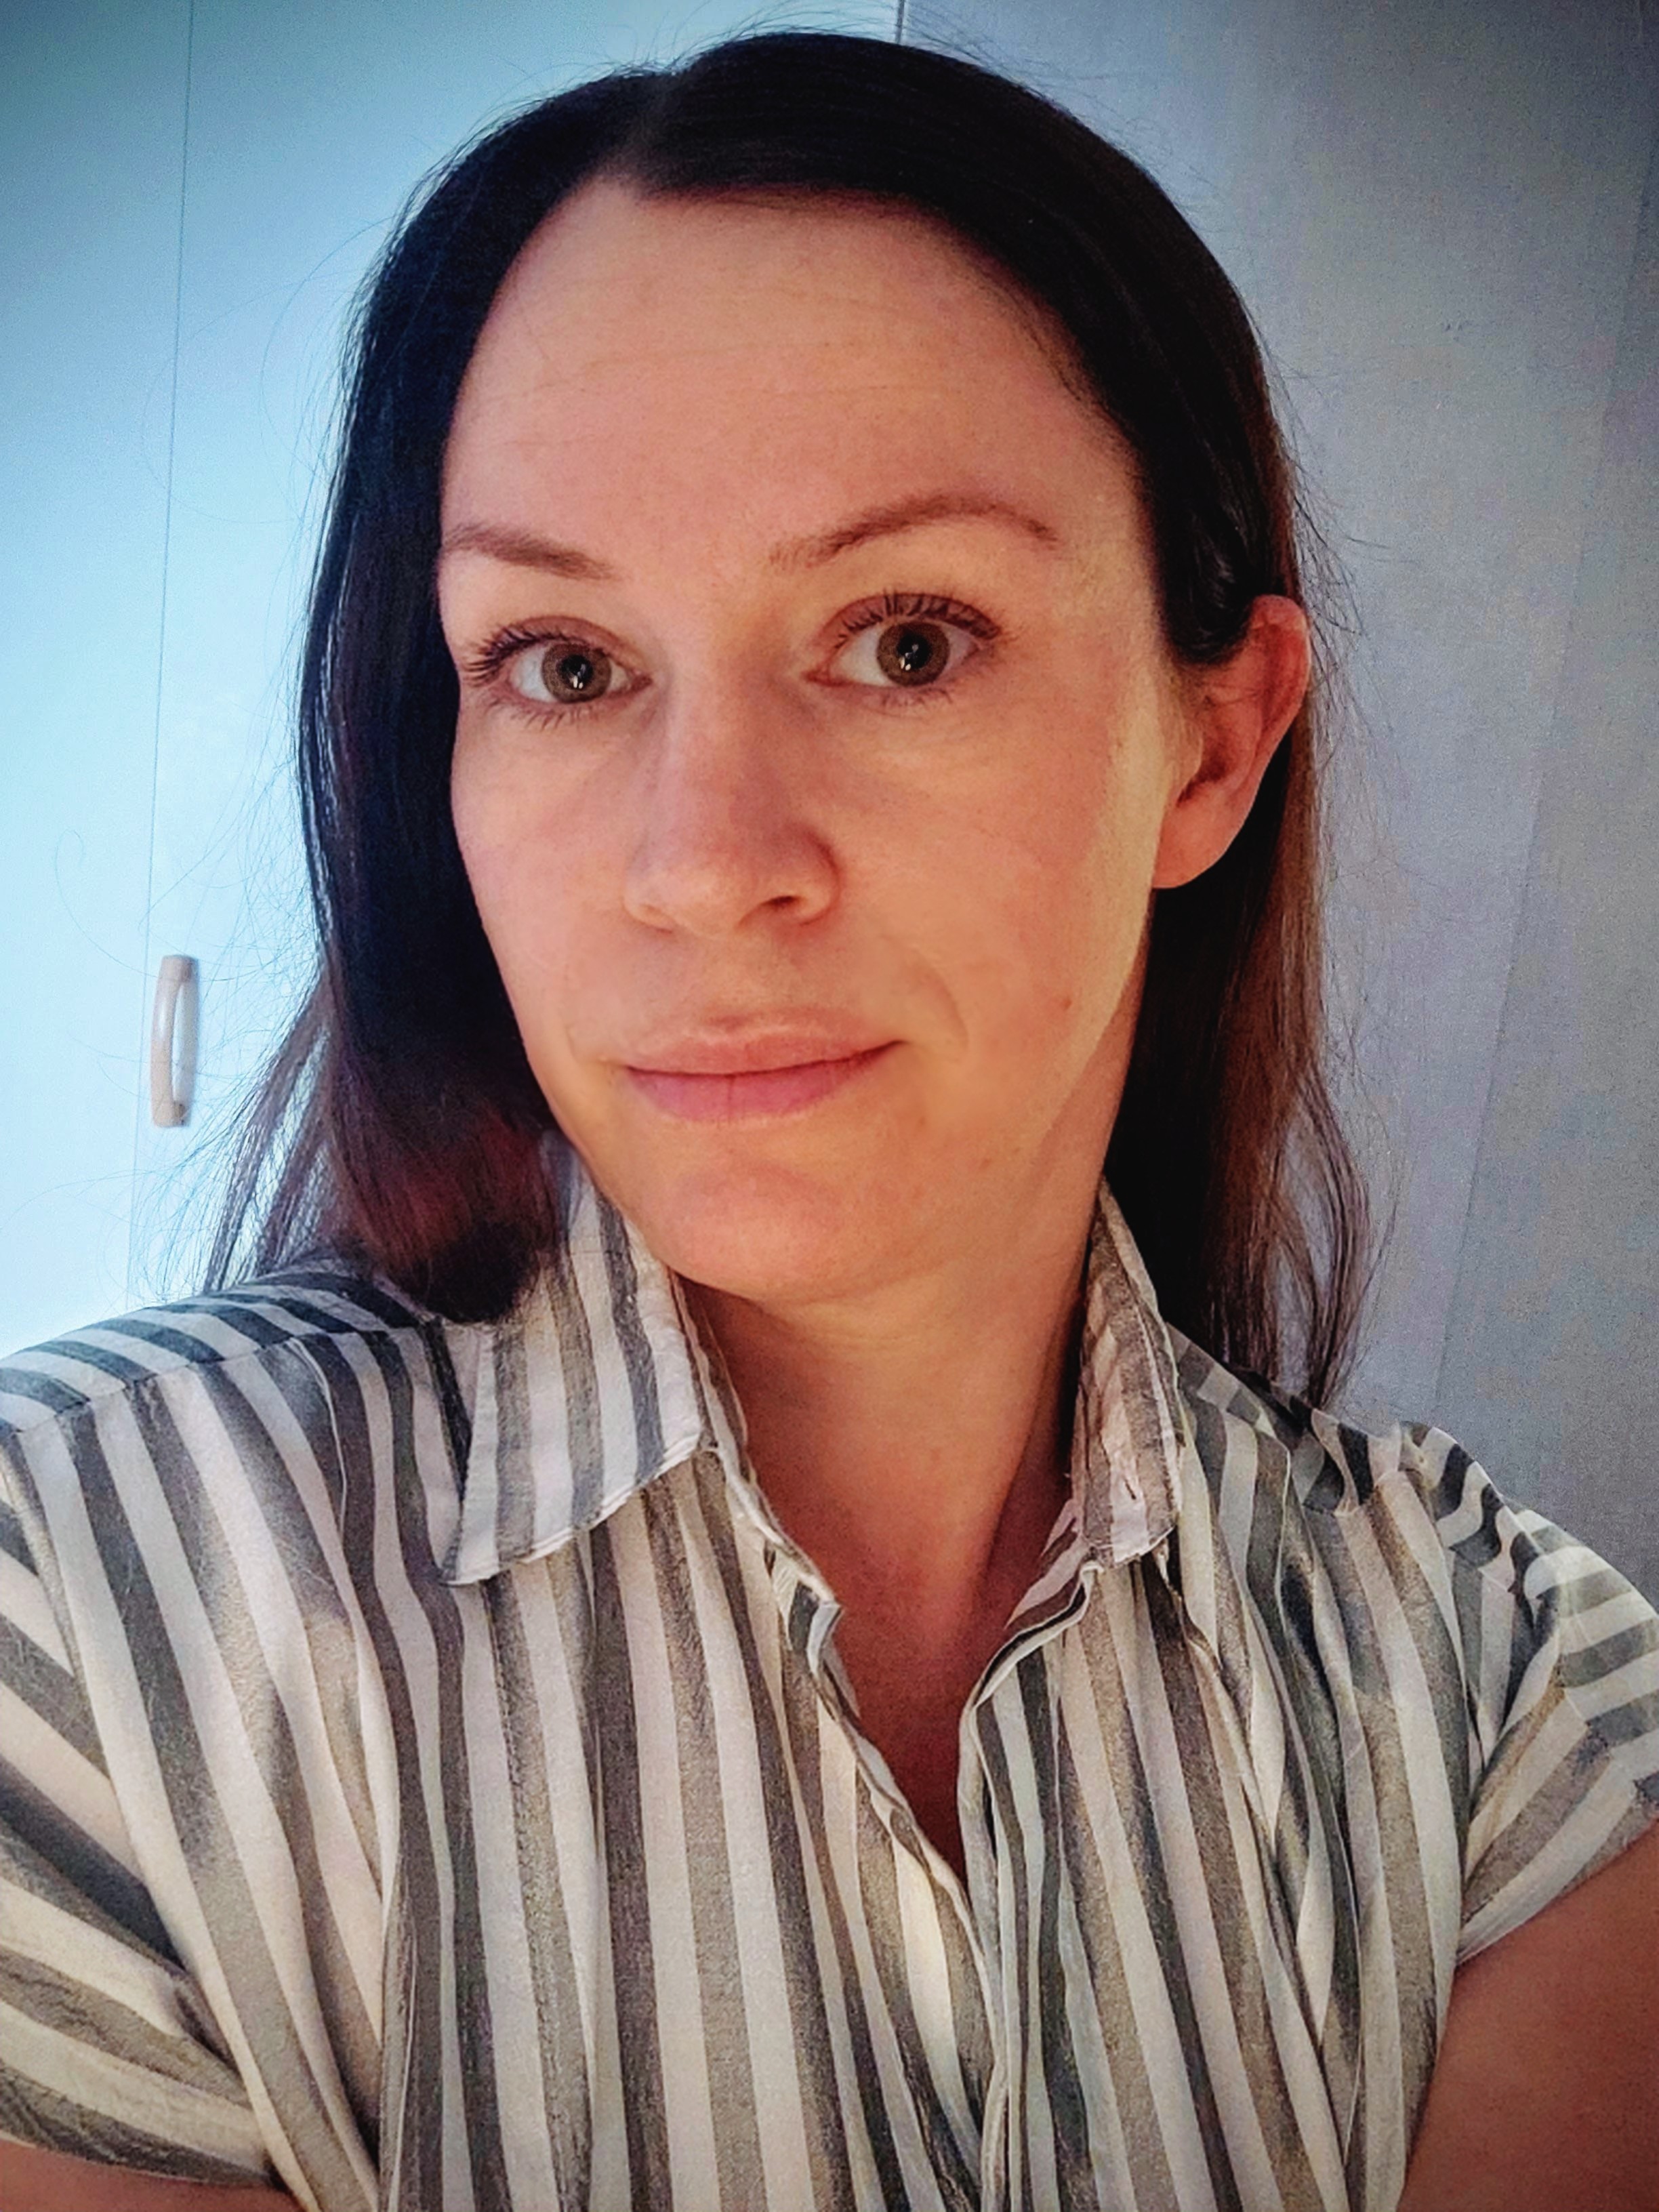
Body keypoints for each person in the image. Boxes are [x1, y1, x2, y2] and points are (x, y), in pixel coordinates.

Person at [1, 28, 1655, 2212]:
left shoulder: (1514, 1700)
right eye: (565, 663)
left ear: (1212, 747)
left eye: (908, 642)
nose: (702, 866)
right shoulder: (80, 1616)